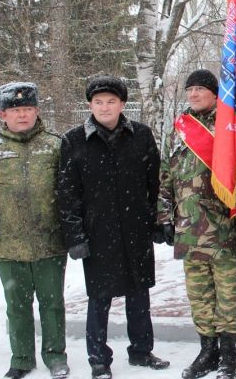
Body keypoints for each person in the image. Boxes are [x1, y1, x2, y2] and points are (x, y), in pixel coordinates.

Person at [57, 76, 169, 379]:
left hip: (136, 228)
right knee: (100, 297)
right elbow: (67, 194)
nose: (104, 107)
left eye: (111, 101)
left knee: (139, 293)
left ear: (122, 104)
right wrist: (75, 236)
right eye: (98, 102)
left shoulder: (141, 136)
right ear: (90, 105)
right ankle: (98, 358)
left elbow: (155, 183)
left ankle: (142, 350)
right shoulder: (74, 140)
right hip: (98, 232)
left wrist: (158, 222)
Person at [0, 82, 69, 379]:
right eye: (15, 110)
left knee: (52, 304)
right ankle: (22, 358)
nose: (22, 115)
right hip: (8, 246)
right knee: (17, 307)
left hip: (50, 243)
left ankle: (55, 356)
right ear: (3, 114)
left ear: (36, 111)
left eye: (27, 109)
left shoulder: (56, 145)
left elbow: (72, 191)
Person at [158, 69, 236, 379]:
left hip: (222, 228)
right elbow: (165, 175)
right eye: (189, 89)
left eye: (200, 89)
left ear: (213, 93)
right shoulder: (180, 129)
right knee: (199, 294)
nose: (193, 94)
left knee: (227, 293)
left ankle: (228, 355)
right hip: (188, 228)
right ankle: (207, 351)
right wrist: (164, 217)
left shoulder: (229, 125)